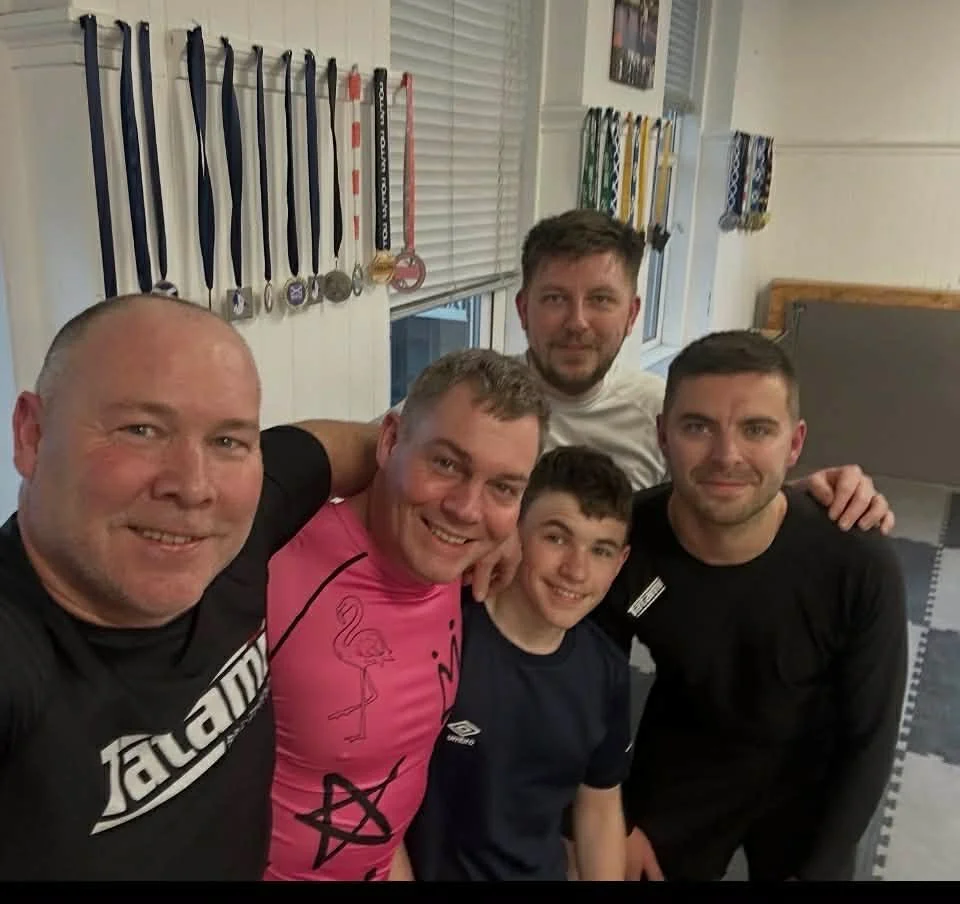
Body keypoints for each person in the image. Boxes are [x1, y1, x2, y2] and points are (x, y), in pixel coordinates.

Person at [0, 294, 381, 880]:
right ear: (32, 435)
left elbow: (357, 446)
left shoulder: (234, 534)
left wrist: (486, 527)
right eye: (141, 430)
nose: (194, 486)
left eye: (227, 441)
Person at [450, 209, 894, 601]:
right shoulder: (470, 401)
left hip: (618, 619)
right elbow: (414, 475)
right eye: (555, 299)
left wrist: (805, 499)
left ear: (632, 314)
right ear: (523, 308)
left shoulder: (664, 412)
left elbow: (714, 499)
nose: (577, 322)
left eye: (601, 300)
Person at [595, 330, 908, 882]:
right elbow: (586, 695)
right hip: (685, 754)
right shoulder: (625, 543)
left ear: (795, 443)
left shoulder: (858, 559)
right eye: (698, 427)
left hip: (813, 773)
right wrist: (613, 822)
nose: (726, 456)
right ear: (663, 435)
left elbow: (871, 736)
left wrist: (820, 870)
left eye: (756, 429)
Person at [263, 349, 549, 882]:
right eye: (446, 464)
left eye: (502, 487)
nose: (466, 508)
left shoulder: (456, 562)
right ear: (390, 440)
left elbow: (389, 772)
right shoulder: (278, 569)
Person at [404, 446, 635, 881]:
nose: (576, 571)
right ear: (514, 530)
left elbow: (599, 808)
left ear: (620, 562)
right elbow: (375, 794)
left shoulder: (606, 671)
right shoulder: (442, 634)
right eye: (556, 538)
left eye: (601, 550)